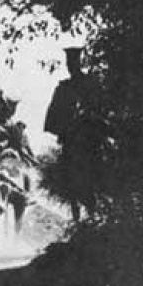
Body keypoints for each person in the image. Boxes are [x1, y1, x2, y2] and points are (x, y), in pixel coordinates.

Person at [44, 47, 107, 221]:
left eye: (74, 62)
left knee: (95, 173)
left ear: (80, 63)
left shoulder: (91, 83)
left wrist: (90, 115)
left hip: (90, 136)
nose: (71, 66)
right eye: (69, 63)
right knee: (68, 176)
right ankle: (76, 217)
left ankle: (95, 213)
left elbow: (100, 105)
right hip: (71, 137)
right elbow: (54, 112)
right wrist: (62, 126)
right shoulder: (64, 87)